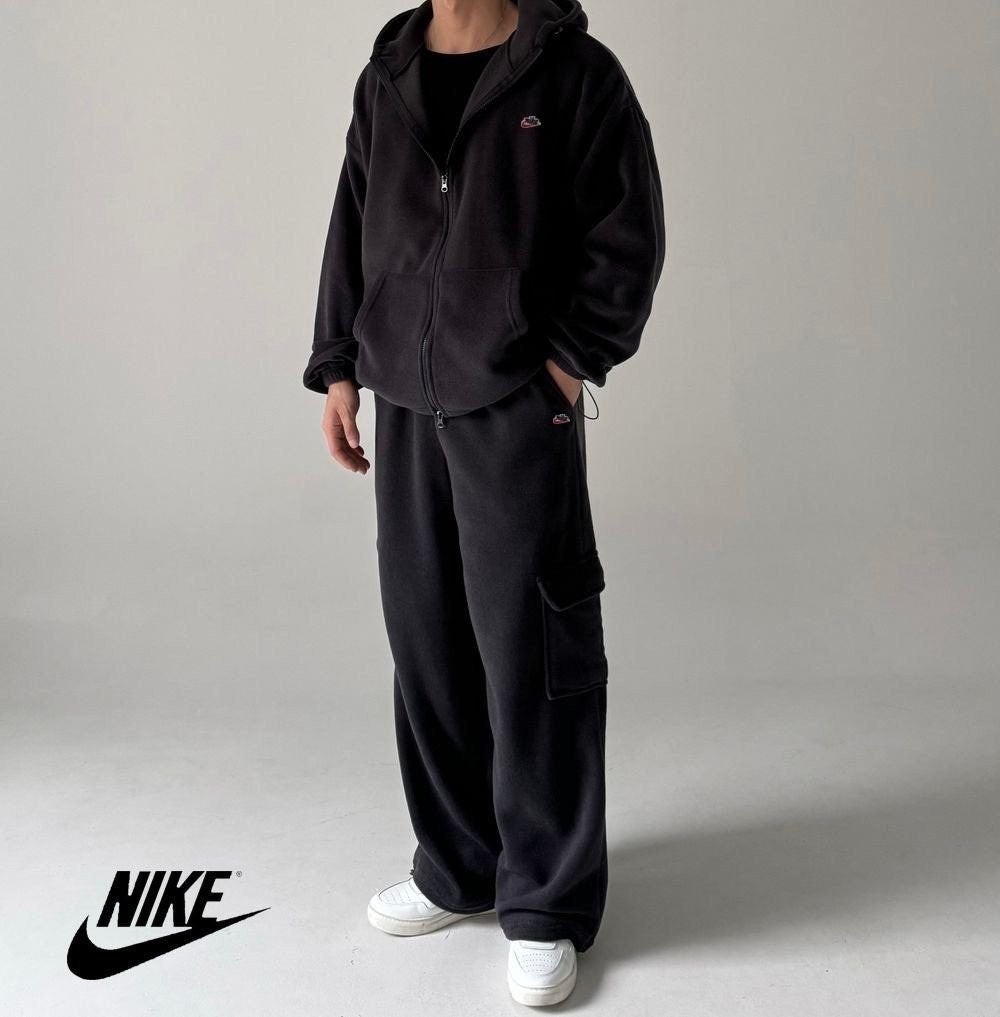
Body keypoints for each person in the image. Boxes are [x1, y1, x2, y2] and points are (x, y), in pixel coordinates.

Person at [302, 0, 664, 1005]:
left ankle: (545, 900)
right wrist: (339, 365)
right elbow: (352, 220)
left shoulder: (576, 73)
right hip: (404, 402)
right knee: (427, 641)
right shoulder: (387, 75)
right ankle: (458, 864)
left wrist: (565, 365)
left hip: (514, 403)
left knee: (532, 648)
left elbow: (627, 230)